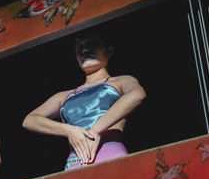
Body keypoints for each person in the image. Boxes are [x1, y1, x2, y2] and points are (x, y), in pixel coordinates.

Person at [23, 35, 146, 170]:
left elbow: (137, 95)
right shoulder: (63, 96)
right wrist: (68, 130)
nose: (85, 50)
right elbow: (30, 120)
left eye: (92, 44)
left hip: (111, 155)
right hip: (75, 163)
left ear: (109, 51)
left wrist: (96, 130)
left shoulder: (120, 81)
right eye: (79, 47)